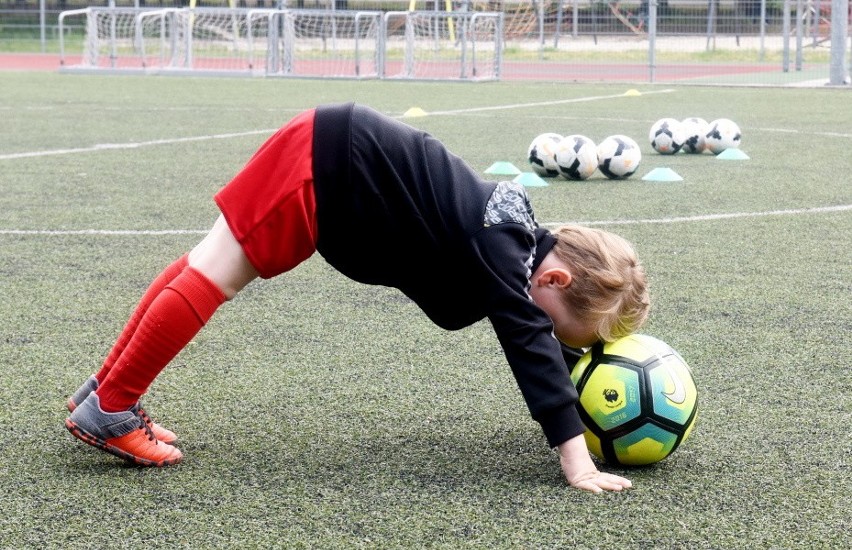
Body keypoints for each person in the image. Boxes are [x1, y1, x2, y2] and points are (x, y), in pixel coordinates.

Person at [65, 103, 649, 493]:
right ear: (555, 282)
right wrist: (576, 457)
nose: (548, 338)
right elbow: (526, 339)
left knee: (201, 266)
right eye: (558, 330)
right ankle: (111, 405)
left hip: (330, 151)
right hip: (328, 169)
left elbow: (523, 325)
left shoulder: (513, 238)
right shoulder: (504, 249)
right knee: (213, 275)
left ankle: (108, 389)